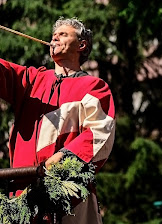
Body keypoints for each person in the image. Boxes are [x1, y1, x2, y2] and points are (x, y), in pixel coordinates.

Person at [0, 17, 116, 223]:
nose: (55, 37)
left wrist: (61, 159)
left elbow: (99, 133)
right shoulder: (32, 79)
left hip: (69, 200)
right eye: (54, 35)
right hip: (21, 195)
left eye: (63, 34)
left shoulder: (94, 87)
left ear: (81, 45)